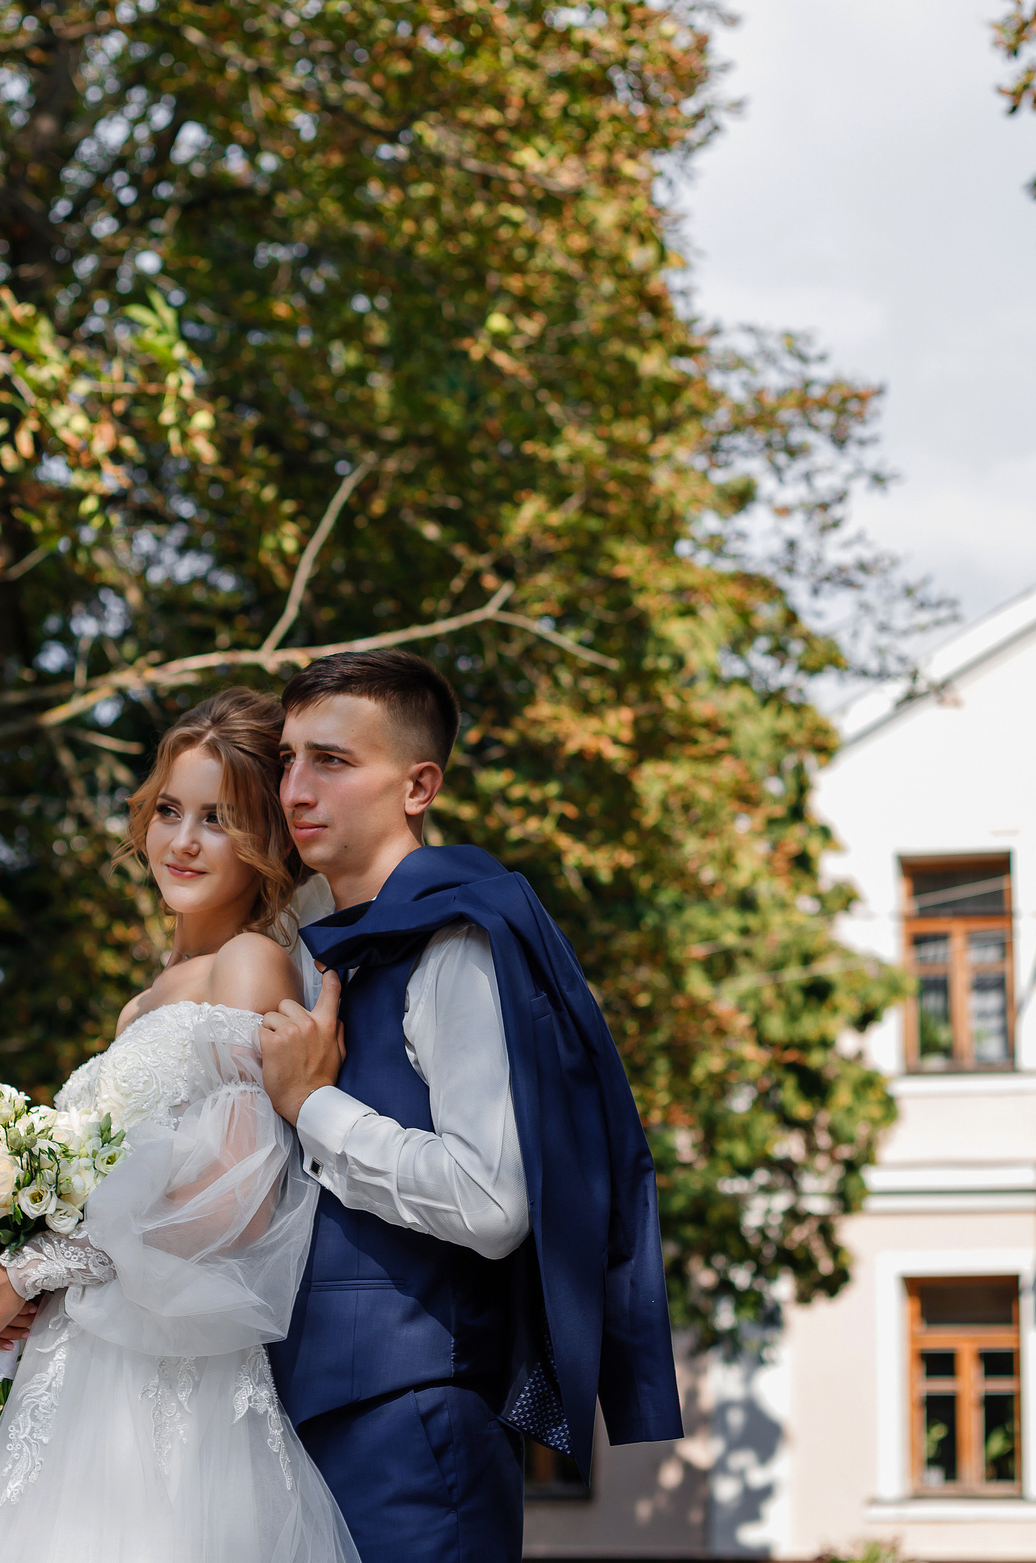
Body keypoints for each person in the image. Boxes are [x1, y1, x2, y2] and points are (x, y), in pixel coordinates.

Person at [0, 688, 359, 1563]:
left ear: (262, 838)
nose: (182, 839)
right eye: (169, 809)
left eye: (218, 817)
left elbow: (236, 1202)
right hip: (78, 1360)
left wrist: (29, 1267)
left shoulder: (250, 964)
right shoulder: (146, 999)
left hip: (156, 1383)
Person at [258, 650, 685, 1563]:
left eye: (332, 760)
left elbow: (492, 1204)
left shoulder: (460, 947)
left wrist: (314, 1106)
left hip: (413, 1424)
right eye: (287, 759)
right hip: (285, 1412)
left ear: (419, 785)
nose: (296, 787)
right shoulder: (300, 951)